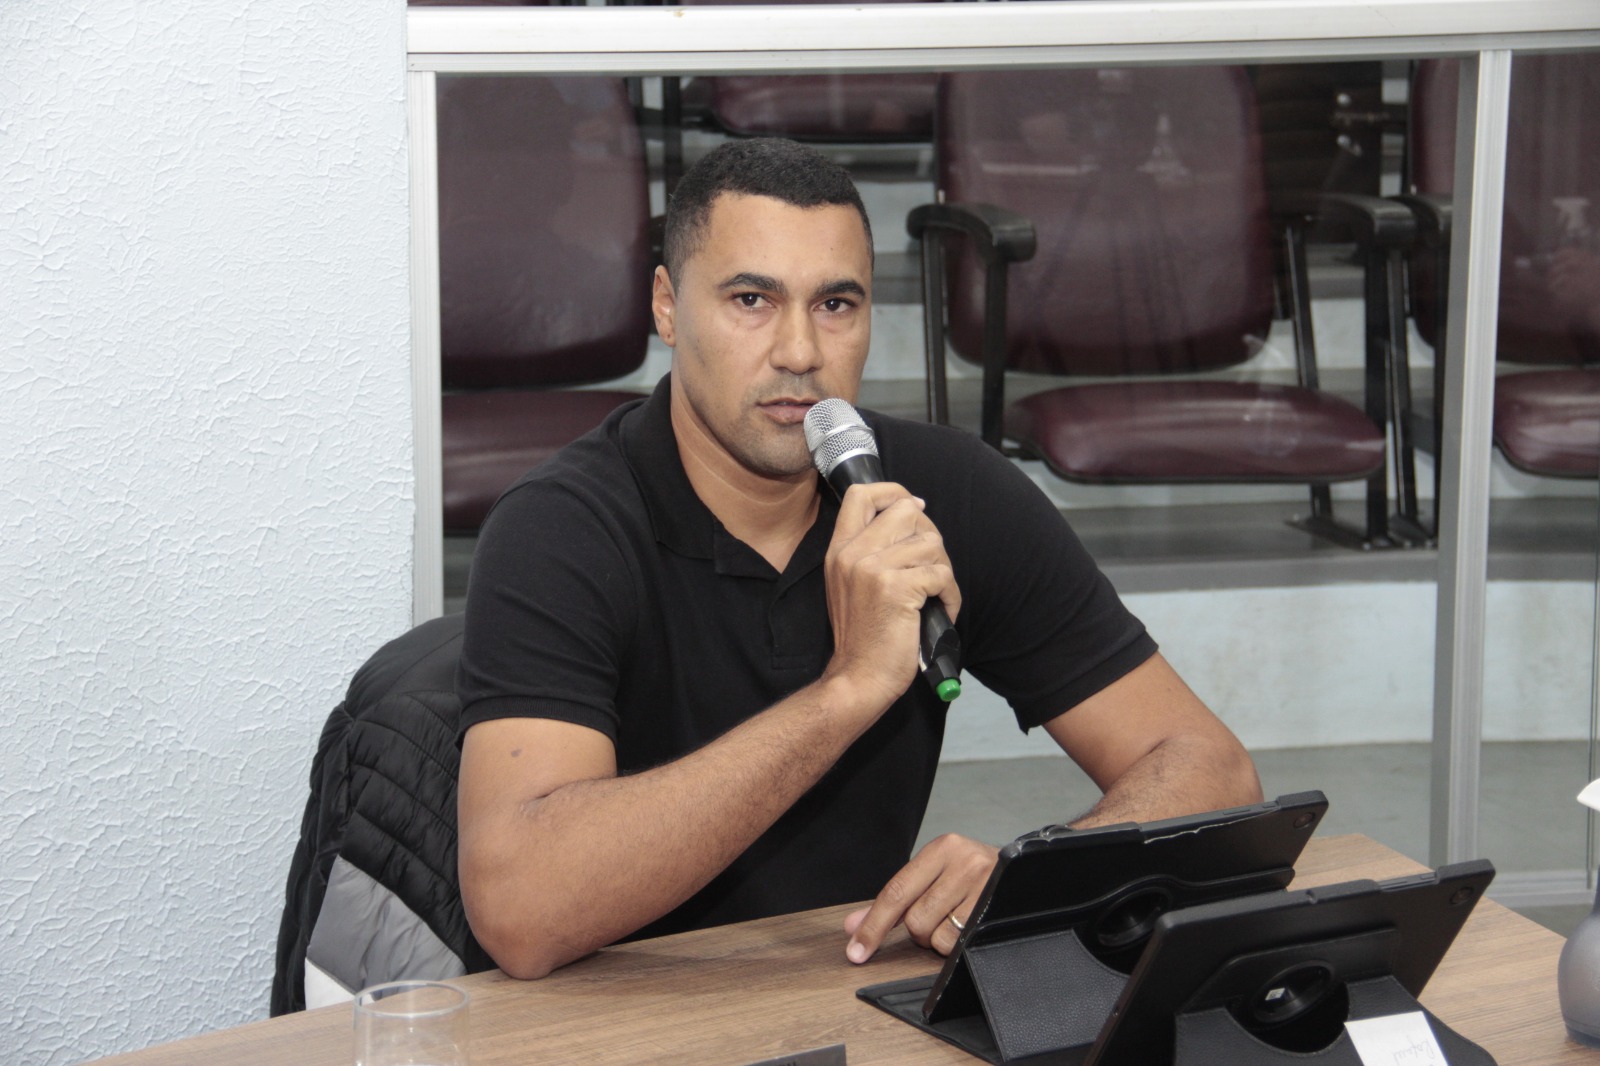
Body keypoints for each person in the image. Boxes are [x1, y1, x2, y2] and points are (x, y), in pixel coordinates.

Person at [455, 137, 1261, 981]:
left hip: (844, 989)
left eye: (836, 304)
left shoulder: (948, 493)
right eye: (752, 300)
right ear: (666, 306)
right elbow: (520, 911)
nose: (800, 351)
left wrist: (1033, 880)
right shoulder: (561, 527)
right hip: (611, 1013)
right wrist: (846, 691)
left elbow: (1214, 771)